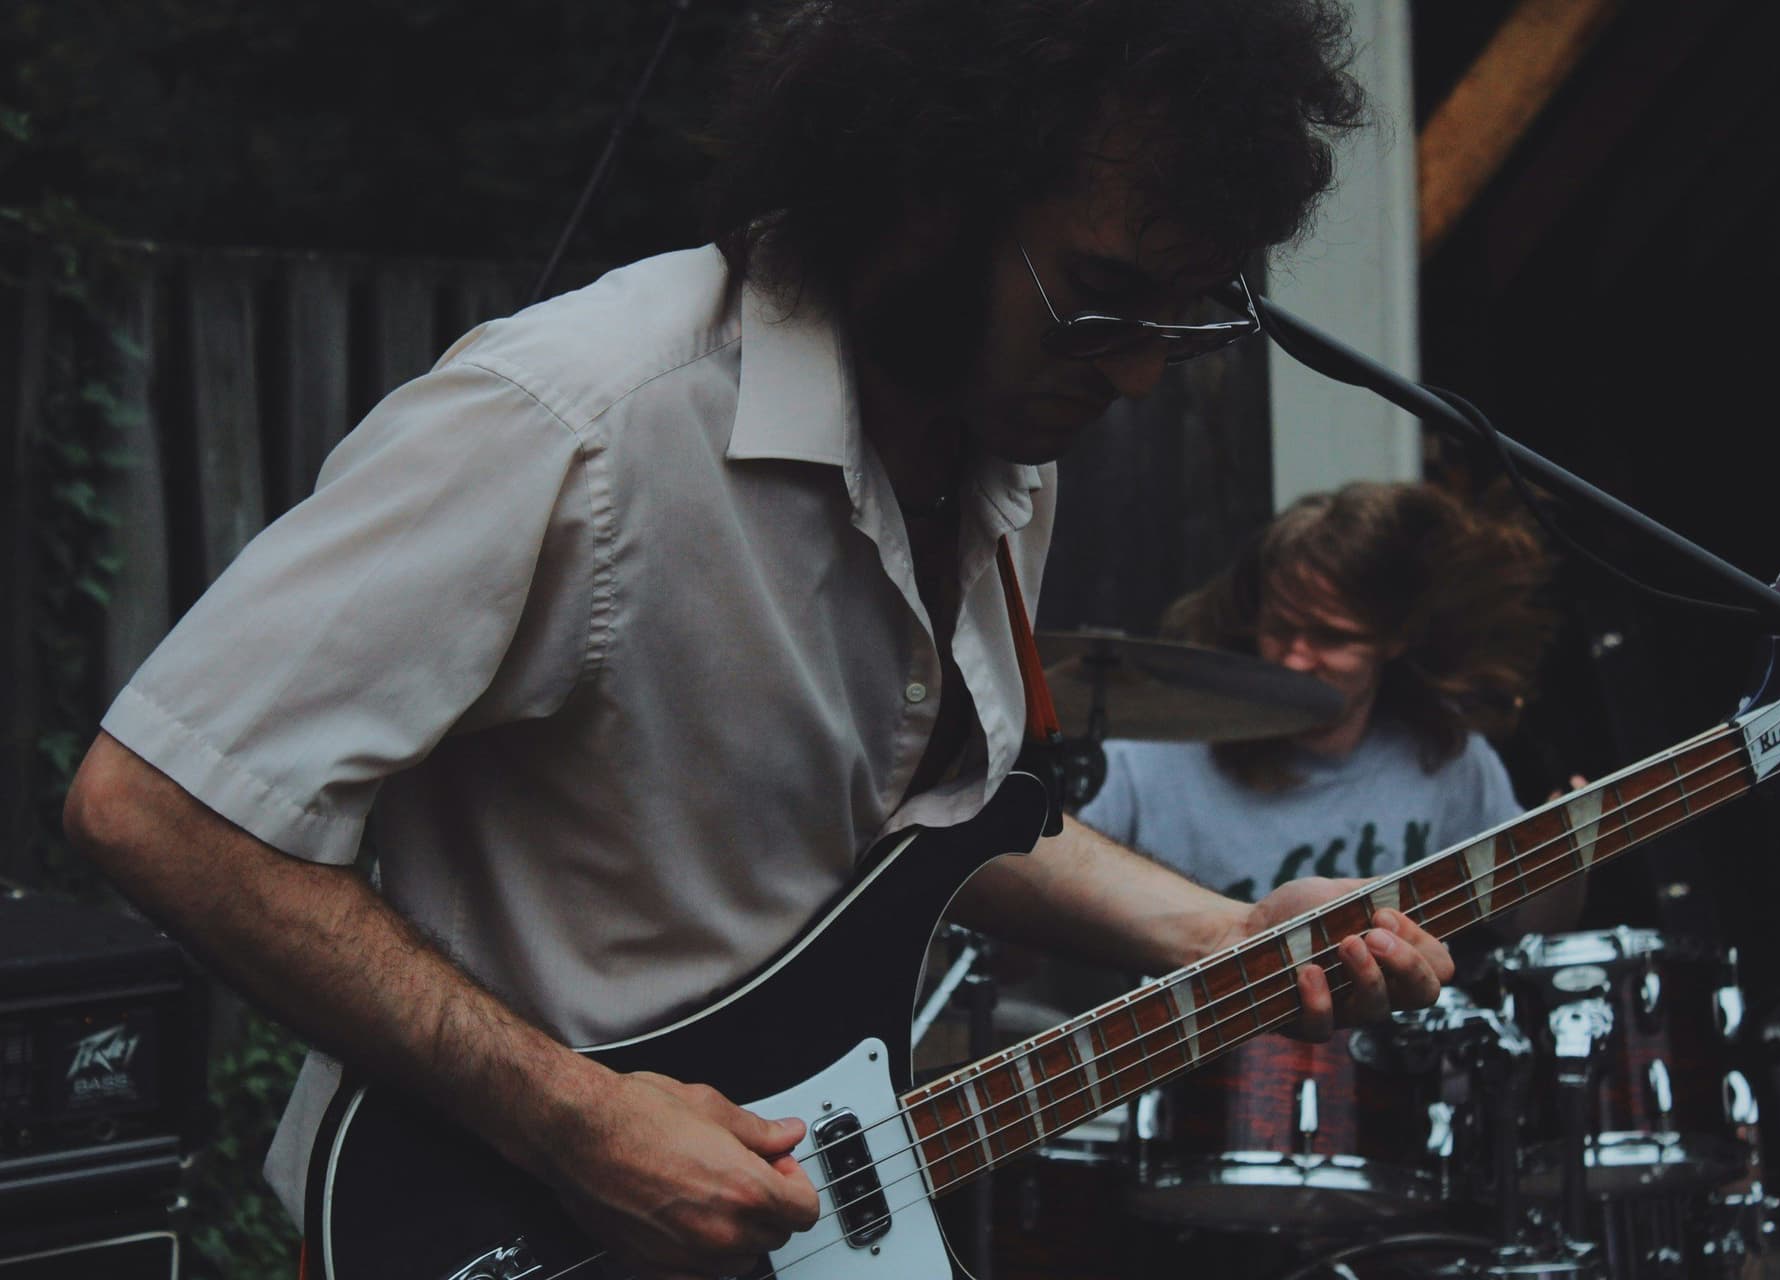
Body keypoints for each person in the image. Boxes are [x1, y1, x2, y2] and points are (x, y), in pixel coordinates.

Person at [60, 2, 1456, 1275]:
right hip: (502, 1234)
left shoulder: (997, 454)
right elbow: (160, 803)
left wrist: (1222, 934)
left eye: (1178, 322)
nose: (1142, 372)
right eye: (1098, 300)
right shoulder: (585, 418)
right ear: (927, 197)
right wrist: (573, 1124)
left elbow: (927, 824)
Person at [1076, 479, 1585, 936]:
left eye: (1330, 637)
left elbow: (1522, 928)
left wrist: (1566, 857)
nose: (1296, 659)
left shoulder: (1447, 757)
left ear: (1394, 639)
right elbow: (1047, 920)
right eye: (1279, 629)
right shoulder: (1151, 758)